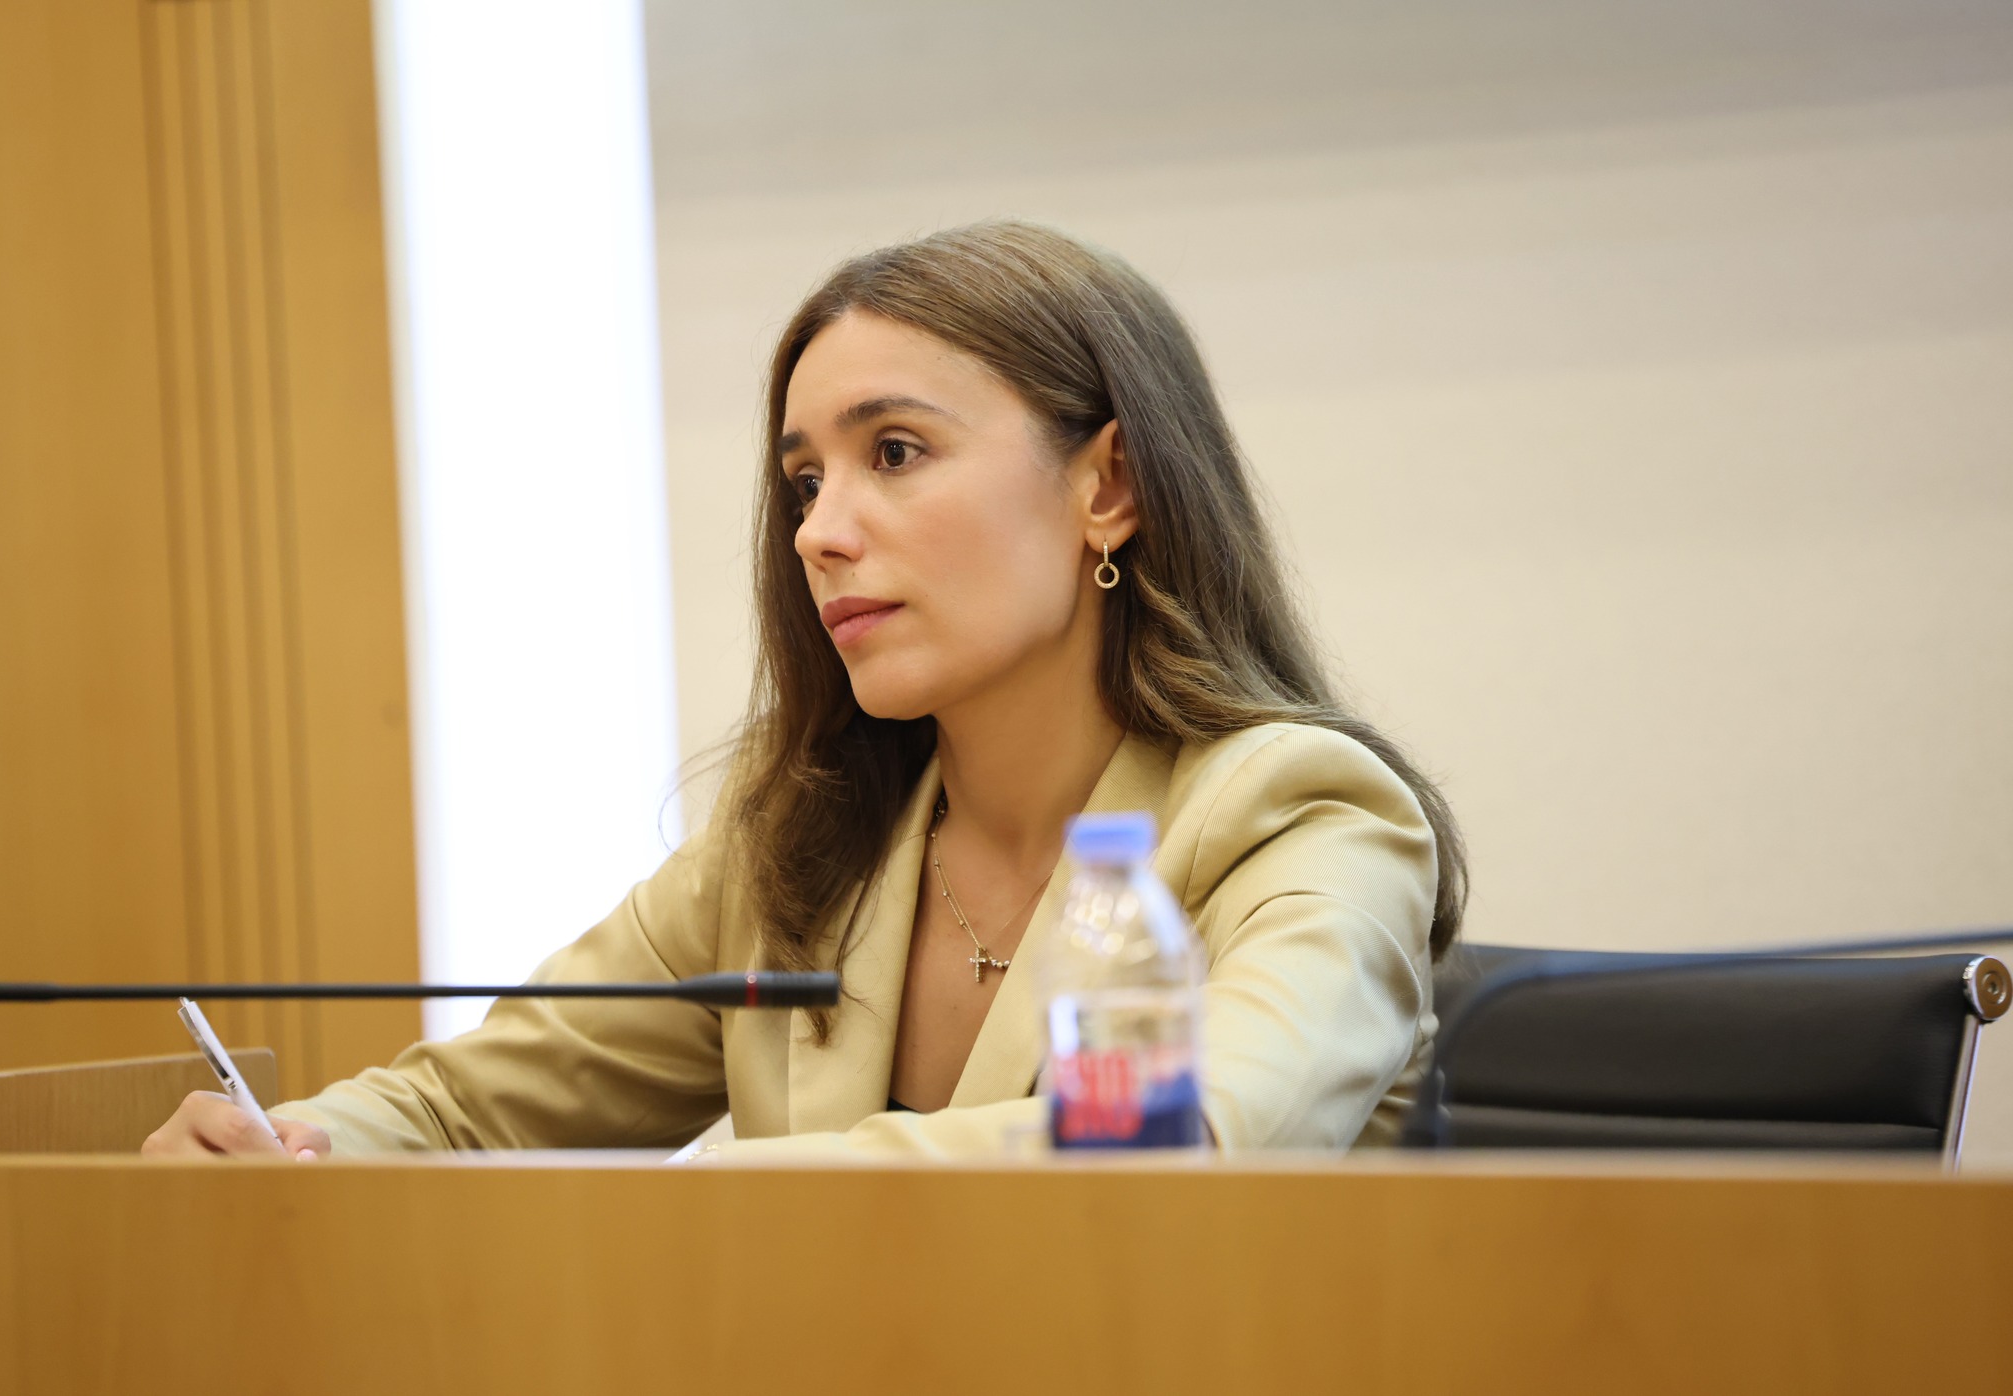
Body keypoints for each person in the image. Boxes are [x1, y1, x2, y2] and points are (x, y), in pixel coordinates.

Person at [143, 220, 1467, 1163]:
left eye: (895, 452)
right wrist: (294, 1143)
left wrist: (725, 1194)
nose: (820, 534)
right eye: (804, 481)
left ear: (1106, 486)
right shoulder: (803, 840)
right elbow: (462, 1111)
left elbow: (1188, 1141)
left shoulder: (1301, 818)